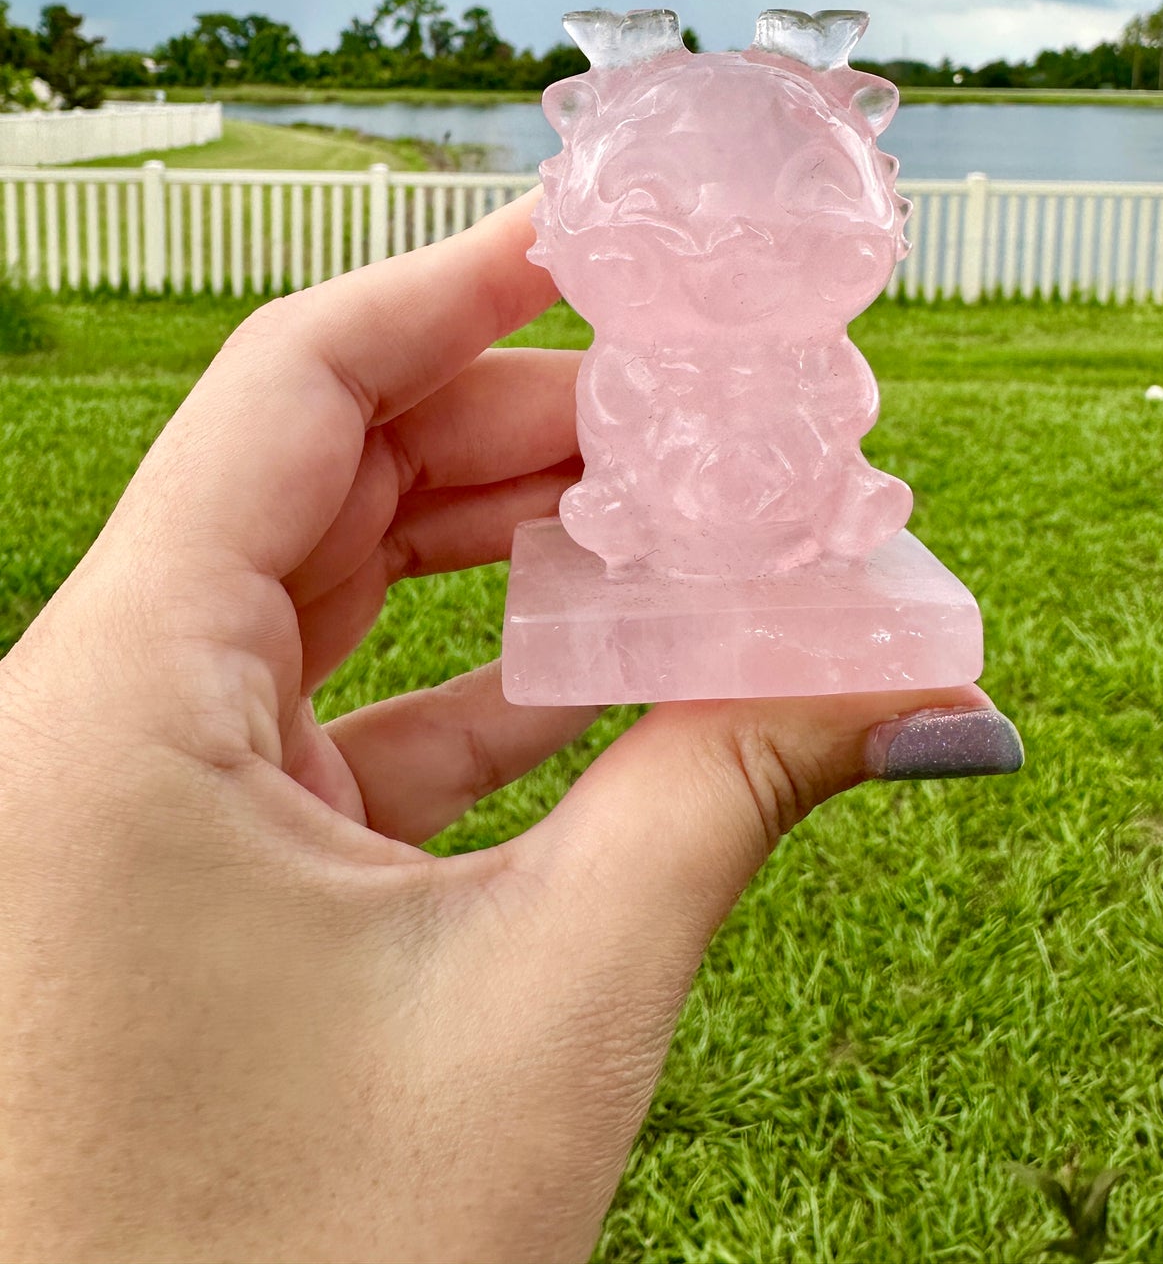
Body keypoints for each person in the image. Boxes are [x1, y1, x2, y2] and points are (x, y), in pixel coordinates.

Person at [0, 190, 1022, 1263]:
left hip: (791, 492)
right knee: (643, 448)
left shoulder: (811, 347)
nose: (720, 252)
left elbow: (834, 390)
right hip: (658, 495)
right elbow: (624, 408)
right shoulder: (632, 357)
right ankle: (662, 510)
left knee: (790, 450)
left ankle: (807, 506)